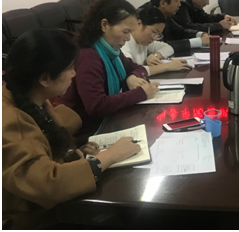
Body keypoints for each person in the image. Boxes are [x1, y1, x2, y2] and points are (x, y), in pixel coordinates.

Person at [3, 29, 140, 229]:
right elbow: (47, 185)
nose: (74, 74)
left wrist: (69, 155)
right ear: (45, 78)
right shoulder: (10, 120)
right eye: (69, 68)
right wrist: (109, 156)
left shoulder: (33, 97)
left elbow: (41, 151)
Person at [60, 0, 160, 136]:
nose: (128, 38)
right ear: (104, 25)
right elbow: (97, 106)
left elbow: (138, 68)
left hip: (107, 121)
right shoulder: (88, 57)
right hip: (86, 132)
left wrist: (131, 77)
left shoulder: (112, 52)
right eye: (125, 32)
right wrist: (140, 93)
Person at [140, 0, 210, 55]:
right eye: (176, 1)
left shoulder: (164, 13)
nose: (180, 4)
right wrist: (199, 41)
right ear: (163, 3)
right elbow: (161, 45)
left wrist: (200, 34)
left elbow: (178, 31)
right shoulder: (149, 17)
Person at [121, 6, 192, 76]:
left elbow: (168, 48)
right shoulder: (124, 44)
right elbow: (133, 71)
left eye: (159, 34)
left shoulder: (143, 42)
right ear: (139, 24)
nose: (155, 38)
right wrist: (167, 66)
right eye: (154, 32)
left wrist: (155, 56)